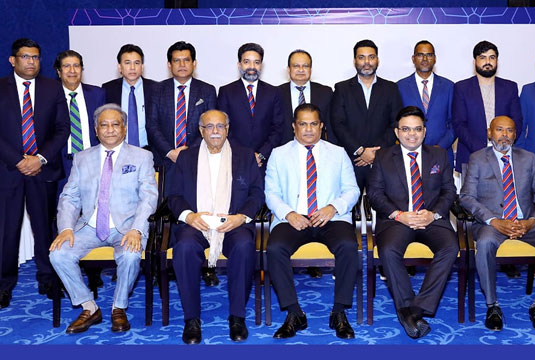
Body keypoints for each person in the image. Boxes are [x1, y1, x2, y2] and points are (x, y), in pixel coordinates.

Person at [49, 104, 157, 334]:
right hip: (88, 226)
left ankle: (119, 307)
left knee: (130, 255)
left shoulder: (142, 157)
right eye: (104, 125)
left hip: (126, 227)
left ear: (124, 129)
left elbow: (148, 198)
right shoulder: (82, 158)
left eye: (115, 124)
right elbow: (69, 196)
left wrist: (137, 230)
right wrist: (66, 228)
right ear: (96, 130)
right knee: (58, 254)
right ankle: (90, 307)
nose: (110, 130)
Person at [168, 110, 264, 344]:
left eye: (220, 126)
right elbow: (173, 195)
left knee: (243, 245)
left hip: (232, 220)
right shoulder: (186, 158)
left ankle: (237, 317)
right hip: (197, 221)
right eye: (209, 127)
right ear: (201, 131)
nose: (215, 132)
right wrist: (188, 216)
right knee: (184, 248)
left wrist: (241, 217)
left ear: (228, 129)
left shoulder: (244, 156)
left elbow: (257, 193)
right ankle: (192, 319)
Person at [265, 103, 360, 339]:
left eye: (313, 124)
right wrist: (289, 214)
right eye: (303, 124)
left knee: (349, 246)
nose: (308, 129)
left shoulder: (337, 153)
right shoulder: (279, 154)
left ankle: (339, 312)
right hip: (293, 218)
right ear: (294, 127)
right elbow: (271, 193)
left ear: (321, 126)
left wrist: (332, 207)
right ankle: (294, 313)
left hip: (330, 217)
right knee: (275, 248)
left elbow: (352, 190)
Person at [460, 116, 535, 331]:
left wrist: (531, 222)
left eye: (509, 130)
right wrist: (494, 221)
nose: (504, 135)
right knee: (485, 244)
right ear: (490, 133)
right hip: (491, 224)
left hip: (525, 223)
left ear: (515, 135)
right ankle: (492, 305)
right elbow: (467, 197)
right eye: (499, 130)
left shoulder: (529, 158)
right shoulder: (478, 158)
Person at [367, 106, 458, 339]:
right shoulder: (383, 157)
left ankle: (414, 310)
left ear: (424, 131)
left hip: (432, 219)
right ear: (397, 132)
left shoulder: (439, 155)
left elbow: (449, 191)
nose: (412, 134)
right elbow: (375, 194)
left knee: (450, 247)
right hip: (397, 219)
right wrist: (399, 215)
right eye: (406, 129)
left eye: (417, 129)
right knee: (388, 250)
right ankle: (409, 306)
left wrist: (433, 214)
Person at [0, 38, 69, 309]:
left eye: (36, 57)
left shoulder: (53, 88)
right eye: (26, 57)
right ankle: (4, 285)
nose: (32, 62)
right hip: (8, 171)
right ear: (12, 60)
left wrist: (39, 158)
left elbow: (62, 129)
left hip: (43, 169)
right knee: (7, 231)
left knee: (45, 229)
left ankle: (49, 279)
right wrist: (19, 160)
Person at [331, 39, 402, 193]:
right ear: (354, 61)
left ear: (377, 60)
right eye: (361, 57)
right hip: (352, 160)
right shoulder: (342, 89)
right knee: (349, 208)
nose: (367, 62)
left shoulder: (391, 88)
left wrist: (376, 152)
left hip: (382, 160)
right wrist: (361, 151)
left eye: (371, 57)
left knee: (384, 209)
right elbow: (338, 123)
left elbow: (396, 123)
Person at [147, 41, 217, 196]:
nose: (182, 64)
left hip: (198, 159)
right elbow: (152, 126)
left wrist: (188, 153)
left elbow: (211, 127)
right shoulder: (156, 90)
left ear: (194, 63)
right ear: (169, 65)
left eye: (186, 60)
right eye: (177, 60)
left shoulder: (207, 90)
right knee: (165, 208)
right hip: (165, 160)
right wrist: (170, 152)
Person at [453, 41, 522, 171]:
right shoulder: (461, 88)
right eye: (482, 57)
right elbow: (459, 124)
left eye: (492, 57)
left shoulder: (510, 87)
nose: (487, 62)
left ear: (497, 61)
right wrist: (482, 150)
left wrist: (500, 147)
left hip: (504, 155)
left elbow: (516, 121)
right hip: (471, 155)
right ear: (475, 62)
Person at [217, 42, 283, 169]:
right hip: (235, 160)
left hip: (265, 162)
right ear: (239, 64)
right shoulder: (226, 91)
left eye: (256, 62)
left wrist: (261, 155)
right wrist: (245, 155)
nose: (252, 66)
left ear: (261, 66)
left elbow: (277, 129)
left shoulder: (273, 92)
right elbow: (223, 128)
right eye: (247, 62)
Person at [54, 50, 106, 197]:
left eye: (76, 66)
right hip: (61, 164)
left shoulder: (98, 94)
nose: (72, 70)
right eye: (66, 66)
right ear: (59, 71)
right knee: (63, 213)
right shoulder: (50, 96)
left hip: (93, 163)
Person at [397, 40, 455, 166]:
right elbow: (396, 122)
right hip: (409, 154)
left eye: (429, 55)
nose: (424, 58)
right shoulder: (399, 87)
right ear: (413, 58)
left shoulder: (449, 86)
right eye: (420, 55)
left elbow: (454, 122)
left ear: (434, 59)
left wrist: (440, 147)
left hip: (442, 154)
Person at [103, 44, 159, 149]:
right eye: (127, 63)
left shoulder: (156, 88)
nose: (132, 68)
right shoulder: (108, 89)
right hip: (119, 150)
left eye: (137, 63)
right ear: (119, 67)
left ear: (142, 67)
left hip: (150, 151)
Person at [277, 49, 335, 144]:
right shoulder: (277, 93)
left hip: (318, 150)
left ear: (311, 69)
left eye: (305, 66)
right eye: (296, 66)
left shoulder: (325, 92)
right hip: (284, 151)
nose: (301, 70)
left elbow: (331, 128)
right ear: (288, 69)